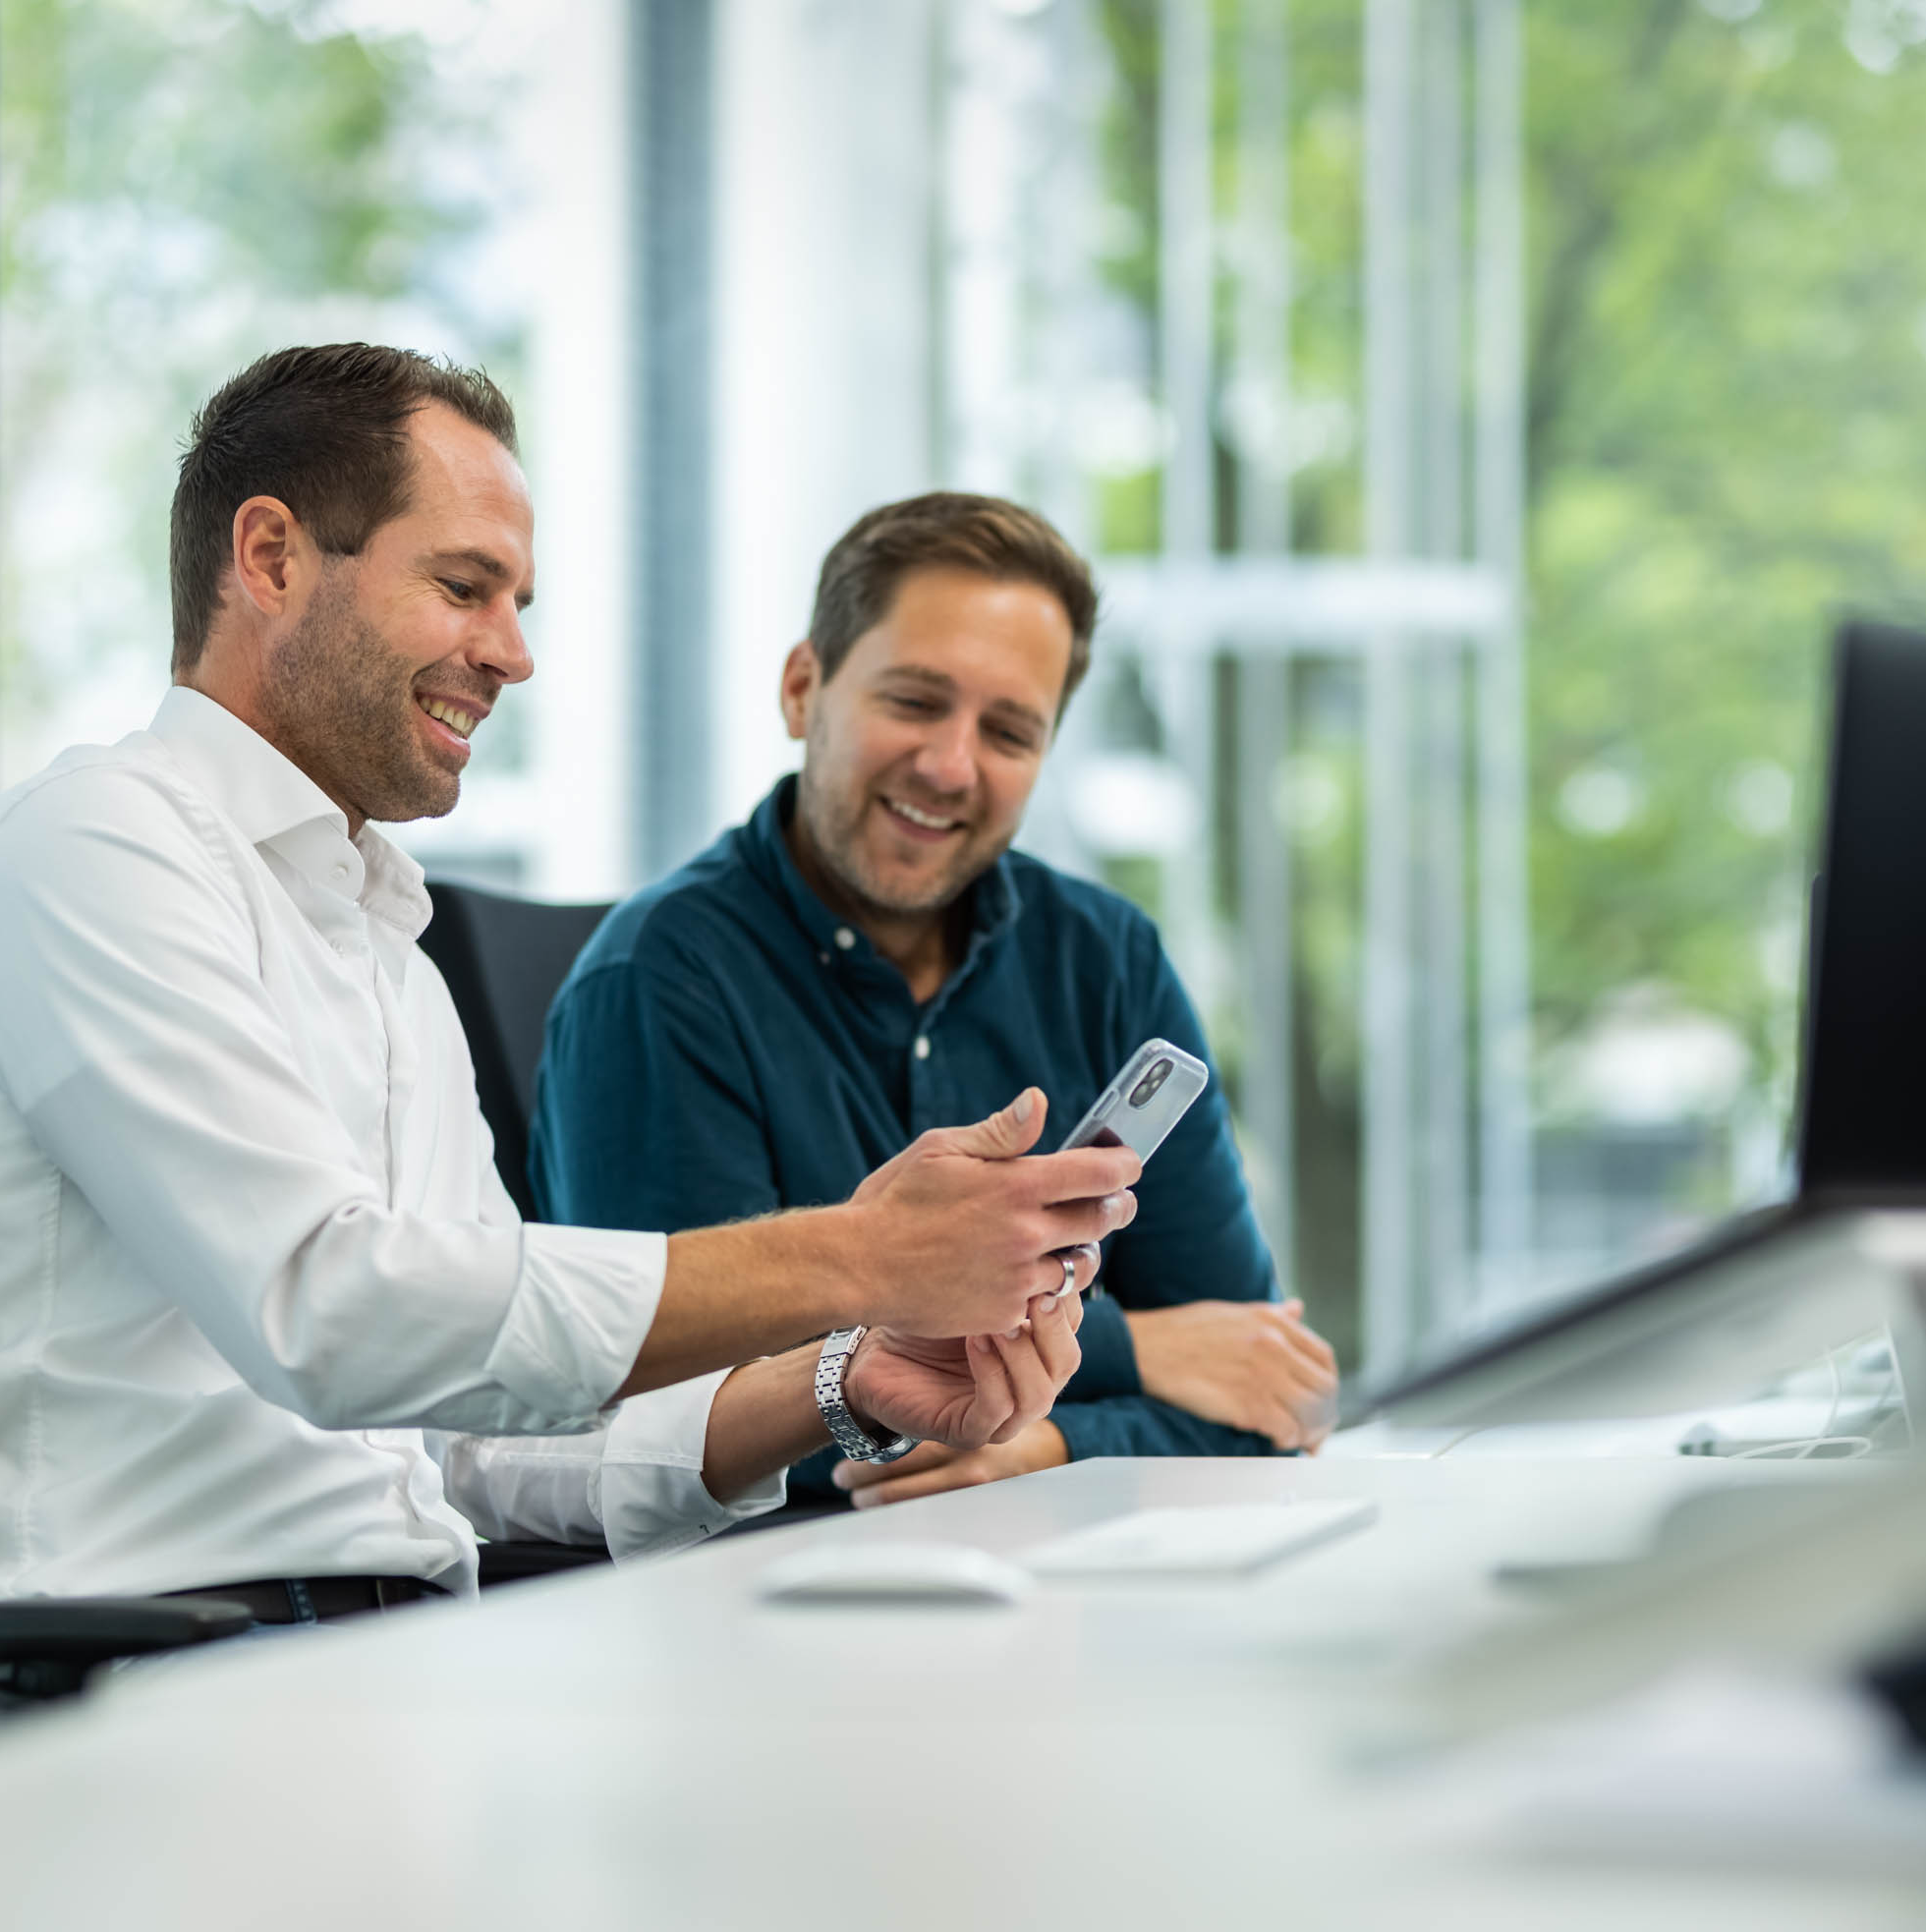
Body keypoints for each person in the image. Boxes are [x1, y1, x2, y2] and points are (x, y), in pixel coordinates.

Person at [0, 346, 1136, 1623]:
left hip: (368, 1648)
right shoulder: (97, 848)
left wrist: (845, 1385)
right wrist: (863, 1255)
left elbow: (477, 1441)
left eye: (519, 601)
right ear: (270, 558)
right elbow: (329, 1312)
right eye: (466, 588)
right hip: (141, 1664)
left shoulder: (375, 934)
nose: (515, 654)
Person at [529, 492, 1336, 1512]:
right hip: (766, 1625)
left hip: (1077, 1603)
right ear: (801, 689)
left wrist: (1041, 1448)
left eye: (1008, 731)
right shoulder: (654, 985)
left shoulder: (1107, 959)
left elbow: (1264, 1390)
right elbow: (685, 1436)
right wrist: (1136, 1349)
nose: (951, 766)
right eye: (914, 701)